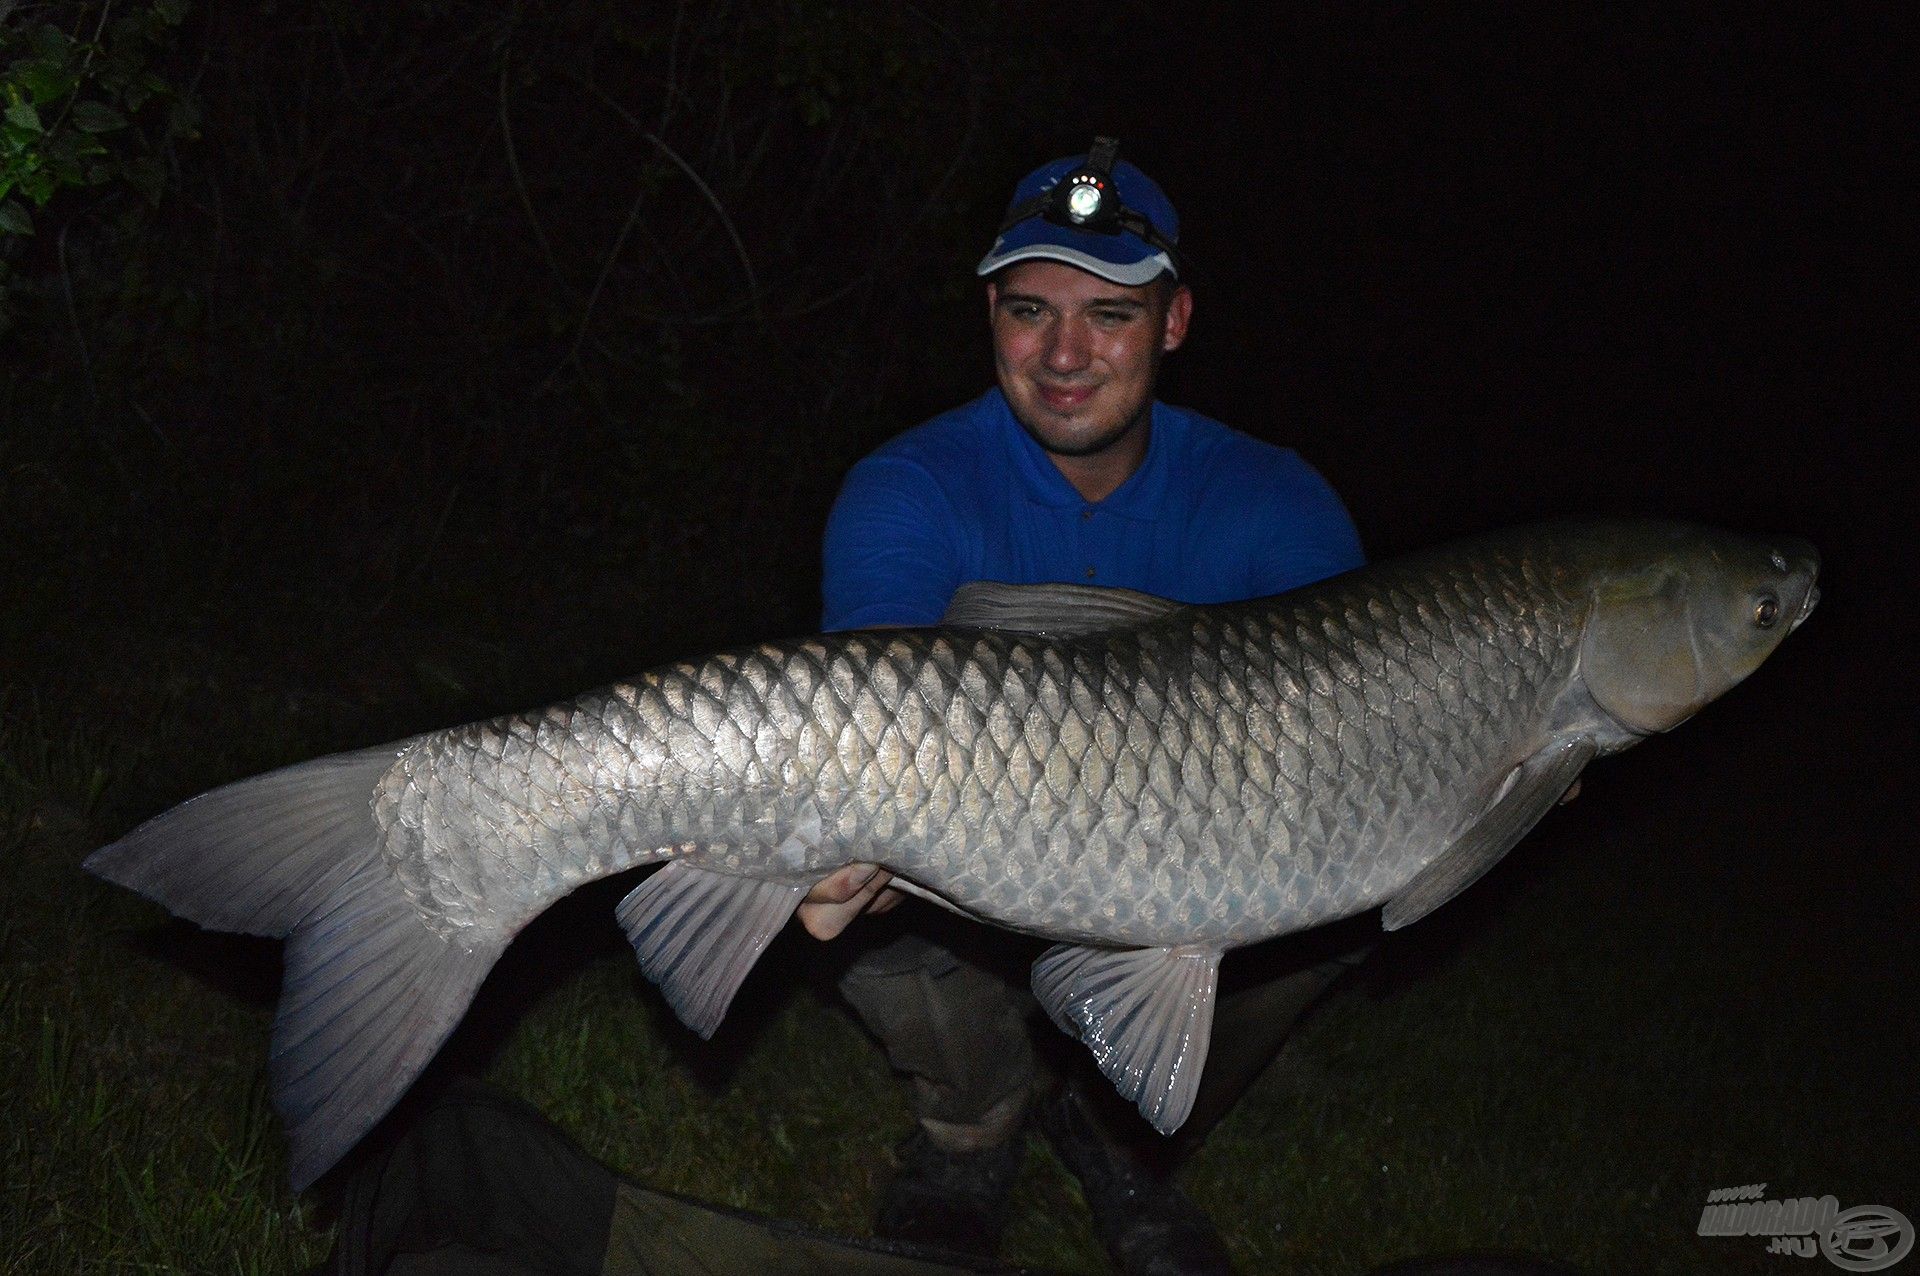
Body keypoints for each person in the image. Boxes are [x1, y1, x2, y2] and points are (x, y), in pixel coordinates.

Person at [800, 140, 1370, 1276]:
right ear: (991, 317)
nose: (1063, 355)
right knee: (850, 897)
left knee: (1349, 884)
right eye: (1028, 311)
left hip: (1203, 866)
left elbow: (1352, 744)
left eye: (1109, 314)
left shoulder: (1276, 500)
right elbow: (872, 711)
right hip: (975, 860)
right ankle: (973, 1126)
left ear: (1174, 323)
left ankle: (1118, 1136)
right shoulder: (908, 487)